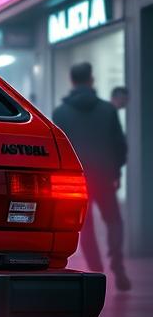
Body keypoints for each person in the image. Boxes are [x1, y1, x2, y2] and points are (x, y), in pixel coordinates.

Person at [52, 63, 131, 291]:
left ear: (72, 81)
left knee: (85, 226)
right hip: (105, 175)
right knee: (114, 221)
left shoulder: (60, 113)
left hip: (78, 178)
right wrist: (116, 171)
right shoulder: (108, 110)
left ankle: (97, 271)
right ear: (91, 80)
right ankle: (117, 262)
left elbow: (61, 148)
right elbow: (120, 145)